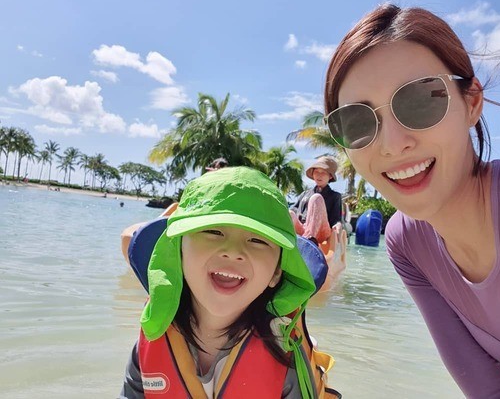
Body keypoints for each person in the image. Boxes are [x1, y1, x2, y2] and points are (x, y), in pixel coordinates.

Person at [323, 3, 500, 398]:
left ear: (471, 102)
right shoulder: (405, 241)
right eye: (356, 122)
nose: (392, 145)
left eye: (421, 101)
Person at [120, 166, 340, 398]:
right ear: (177, 253)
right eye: (213, 232)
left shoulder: (285, 355)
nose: (233, 252)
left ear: (277, 272)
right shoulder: (153, 332)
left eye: (257, 240)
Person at [290, 156, 342, 244]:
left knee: (316, 198)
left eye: (323, 173)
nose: (319, 175)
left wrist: (338, 225)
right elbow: (294, 210)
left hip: (322, 232)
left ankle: (309, 241)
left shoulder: (335, 196)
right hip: (302, 229)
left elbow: (336, 219)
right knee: (290, 213)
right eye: (316, 172)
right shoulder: (305, 194)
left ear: (330, 176)